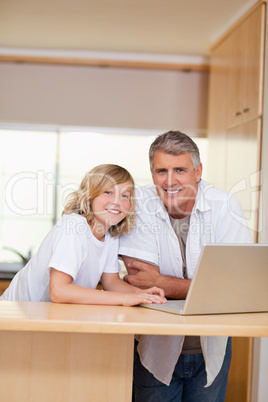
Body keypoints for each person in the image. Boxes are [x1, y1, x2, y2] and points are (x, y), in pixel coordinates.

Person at [119, 131, 253, 401]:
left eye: (180, 169)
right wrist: (205, 288)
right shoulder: (140, 203)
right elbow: (140, 281)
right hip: (154, 348)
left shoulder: (224, 206)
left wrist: (166, 284)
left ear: (198, 171)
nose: (170, 181)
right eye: (161, 171)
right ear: (152, 172)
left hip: (210, 351)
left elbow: (237, 288)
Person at [0, 164, 166, 307]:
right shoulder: (74, 227)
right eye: (108, 192)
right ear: (90, 196)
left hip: (47, 315)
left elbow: (111, 283)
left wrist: (141, 294)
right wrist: (124, 298)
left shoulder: (110, 235)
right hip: (16, 313)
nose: (117, 201)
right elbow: (59, 291)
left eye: (125, 196)